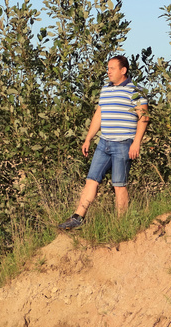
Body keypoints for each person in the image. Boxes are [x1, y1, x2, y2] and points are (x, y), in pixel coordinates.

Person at [58, 55, 149, 230]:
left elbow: (143, 117)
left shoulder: (135, 91)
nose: (108, 72)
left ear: (123, 70)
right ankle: (77, 218)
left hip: (123, 144)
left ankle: (121, 225)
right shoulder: (105, 90)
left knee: (119, 185)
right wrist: (88, 138)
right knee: (91, 180)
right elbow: (98, 115)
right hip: (104, 143)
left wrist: (136, 142)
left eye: (112, 68)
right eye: (108, 68)